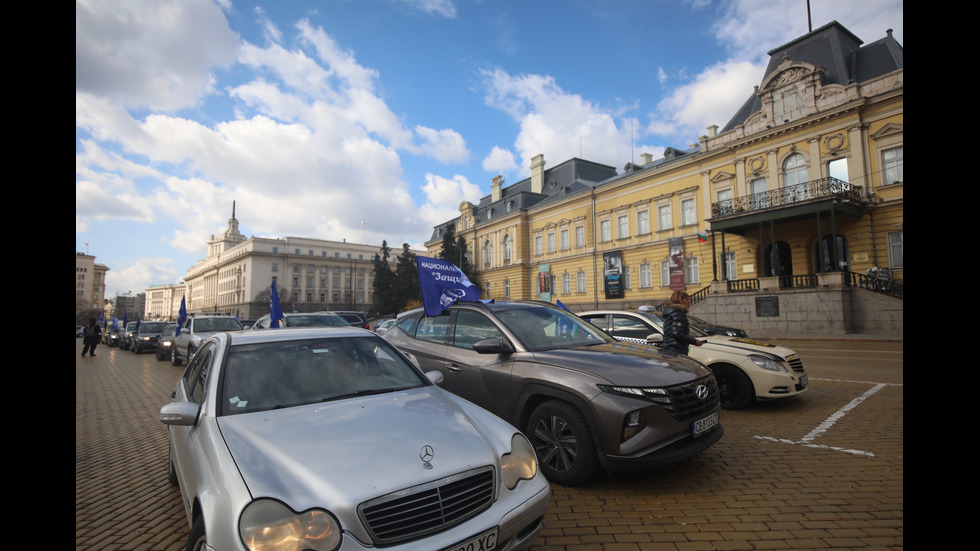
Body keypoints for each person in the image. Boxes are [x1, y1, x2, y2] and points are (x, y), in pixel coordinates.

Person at [661, 290, 705, 355]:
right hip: (676, 351)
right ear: (680, 300)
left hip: (671, 349)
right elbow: (677, 334)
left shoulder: (673, 313)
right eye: (687, 299)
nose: (689, 301)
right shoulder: (678, 314)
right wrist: (694, 341)